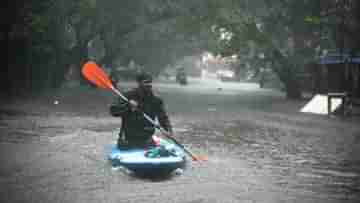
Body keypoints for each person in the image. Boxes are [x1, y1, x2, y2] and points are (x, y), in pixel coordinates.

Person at [109, 72, 174, 148]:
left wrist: (168, 131)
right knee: (125, 145)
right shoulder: (127, 96)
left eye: (150, 82)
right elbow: (113, 111)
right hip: (127, 139)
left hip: (147, 139)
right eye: (146, 82)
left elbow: (163, 117)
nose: (149, 85)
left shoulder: (156, 100)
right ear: (139, 83)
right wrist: (128, 107)